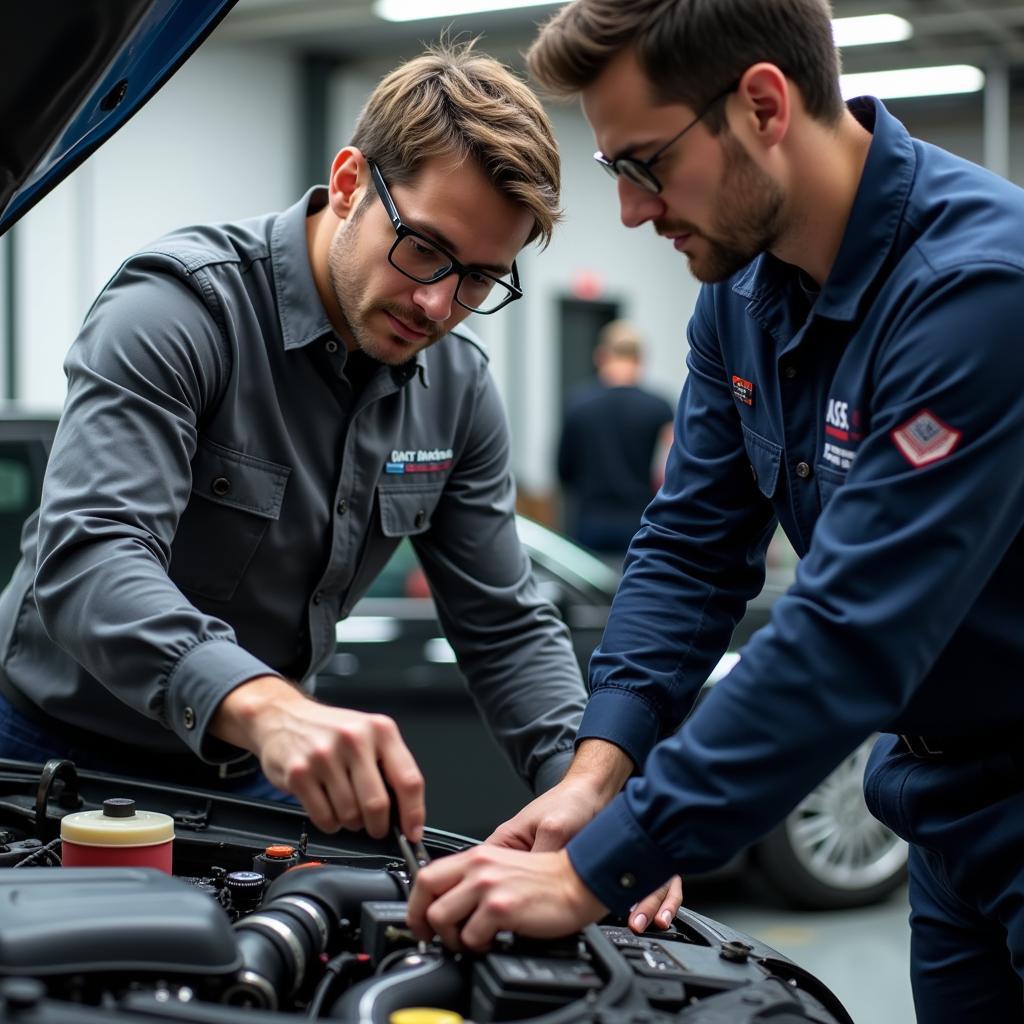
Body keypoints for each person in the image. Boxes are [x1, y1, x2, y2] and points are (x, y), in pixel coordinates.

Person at [408, 2, 1024, 1018]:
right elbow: (691, 550)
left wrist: (593, 870)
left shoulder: (977, 294)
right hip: (941, 815)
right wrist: (592, 776)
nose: (632, 212)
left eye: (644, 164)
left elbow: (851, 632)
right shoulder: (741, 302)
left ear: (763, 105)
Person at [0, 41, 588, 849]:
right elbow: (93, 557)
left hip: (246, 774)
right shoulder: (179, 310)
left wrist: (585, 794)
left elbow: (504, 624)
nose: (438, 303)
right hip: (49, 758)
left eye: (480, 279)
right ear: (349, 183)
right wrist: (269, 705)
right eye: (423, 247)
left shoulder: (458, 390)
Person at [557, 320, 673, 559]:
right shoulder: (659, 408)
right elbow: (670, 470)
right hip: (640, 521)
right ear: (640, 360)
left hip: (589, 520)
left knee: (590, 595)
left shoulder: (577, 404)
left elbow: (563, 470)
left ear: (600, 356)